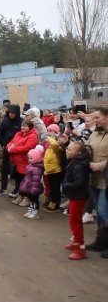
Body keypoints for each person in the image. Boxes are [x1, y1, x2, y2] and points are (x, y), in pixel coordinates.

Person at [85, 108, 108, 259]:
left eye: (97, 118)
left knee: (103, 211)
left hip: (106, 179)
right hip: (94, 178)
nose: (95, 121)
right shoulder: (95, 133)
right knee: (100, 214)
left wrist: (102, 165)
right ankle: (102, 241)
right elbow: (87, 148)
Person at [62, 141, 91, 260]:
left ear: (78, 153)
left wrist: (66, 185)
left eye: (70, 149)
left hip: (78, 197)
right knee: (74, 221)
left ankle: (80, 248)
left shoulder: (78, 165)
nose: (67, 151)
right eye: (67, 148)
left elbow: (79, 183)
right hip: (75, 196)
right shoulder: (75, 162)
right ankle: (76, 241)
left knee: (75, 222)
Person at [7, 119, 39, 204]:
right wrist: (8, 147)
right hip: (15, 162)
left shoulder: (33, 136)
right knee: (18, 181)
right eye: (22, 126)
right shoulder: (18, 134)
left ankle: (27, 198)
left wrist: (12, 149)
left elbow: (27, 148)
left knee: (26, 181)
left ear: (30, 127)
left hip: (25, 162)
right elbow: (10, 142)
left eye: (25, 126)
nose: (23, 127)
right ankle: (20, 195)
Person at [0, 104, 22, 196]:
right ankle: (3, 188)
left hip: (17, 149)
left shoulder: (21, 122)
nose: (11, 115)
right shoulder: (5, 121)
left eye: (13, 113)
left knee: (16, 169)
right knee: (4, 168)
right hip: (6, 148)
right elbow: (0, 133)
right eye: (10, 113)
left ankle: (17, 189)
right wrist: (3, 144)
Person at [42, 124, 65, 212]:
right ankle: (51, 202)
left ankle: (55, 205)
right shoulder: (49, 142)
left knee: (55, 188)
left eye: (51, 131)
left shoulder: (57, 142)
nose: (48, 133)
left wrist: (51, 138)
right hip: (49, 168)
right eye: (48, 131)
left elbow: (56, 147)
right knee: (51, 187)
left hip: (56, 169)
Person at [19, 148, 45, 219]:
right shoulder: (31, 166)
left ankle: (35, 212)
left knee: (34, 200)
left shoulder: (37, 168)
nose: (29, 160)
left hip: (34, 188)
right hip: (29, 187)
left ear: (36, 158)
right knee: (31, 200)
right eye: (29, 158)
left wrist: (34, 189)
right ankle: (31, 211)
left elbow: (36, 180)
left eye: (31, 158)